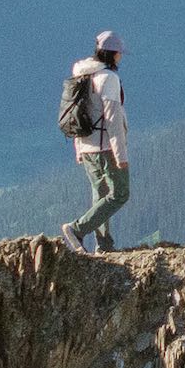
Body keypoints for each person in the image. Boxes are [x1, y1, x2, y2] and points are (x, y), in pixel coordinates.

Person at [60, 30, 128, 253]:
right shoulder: (108, 78)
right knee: (119, 193)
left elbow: (78, 112)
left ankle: (104, 244)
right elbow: (113, 120)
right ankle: (76, 229)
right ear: (113, 54)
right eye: (119, 53)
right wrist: (121, 155)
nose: (120, 57)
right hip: (105, 147)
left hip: (86, 145)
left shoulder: (82, 75)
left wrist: (78, 148)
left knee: (100, 194)